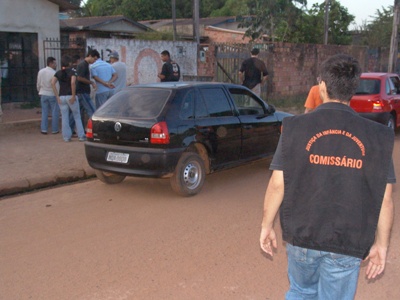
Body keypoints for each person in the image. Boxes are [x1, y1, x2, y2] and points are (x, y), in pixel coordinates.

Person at [259, 54, 395, 300]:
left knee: (301, 291)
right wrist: (382, 245)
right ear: (353, 88)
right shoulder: (377, 136)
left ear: (321, 86)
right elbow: (384, 198)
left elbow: (277, 183)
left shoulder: (294, 127)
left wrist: (266, 226)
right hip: (347, 240)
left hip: (302, 235)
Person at [51, 55, 86, 142]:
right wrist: (74, 95)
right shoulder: (73, 71)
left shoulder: (58, 72)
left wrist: (57, 96)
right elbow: (73, 82)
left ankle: (66, 137)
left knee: (64, 117)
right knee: (77, 116)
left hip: (61, 96)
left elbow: (52, 83)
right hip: (70, 95)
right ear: (69, 63)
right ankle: (81, 135)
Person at [75, 50, 98, 127]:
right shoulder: (83, 65)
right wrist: (91, 82)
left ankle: (75, 129)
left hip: (82, 91)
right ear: (90, 56)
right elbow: (79, 78)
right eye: (94, 59)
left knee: (79, 111)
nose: (94, 61)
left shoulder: (85, 65)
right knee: (91, 110)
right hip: (82, 91)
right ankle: (95, 127)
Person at [37, 56, 59, 134]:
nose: (55, 65)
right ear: (50, 63)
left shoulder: (41, 71)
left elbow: (38, 83)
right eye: (54, 63)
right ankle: (55, 129)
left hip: (43, 93)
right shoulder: (54, 73)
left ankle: (44, 129)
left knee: (44, 112)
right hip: (52, 94)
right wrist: (58, 95)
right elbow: (56, 85)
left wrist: (39, 91)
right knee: (55, 112)